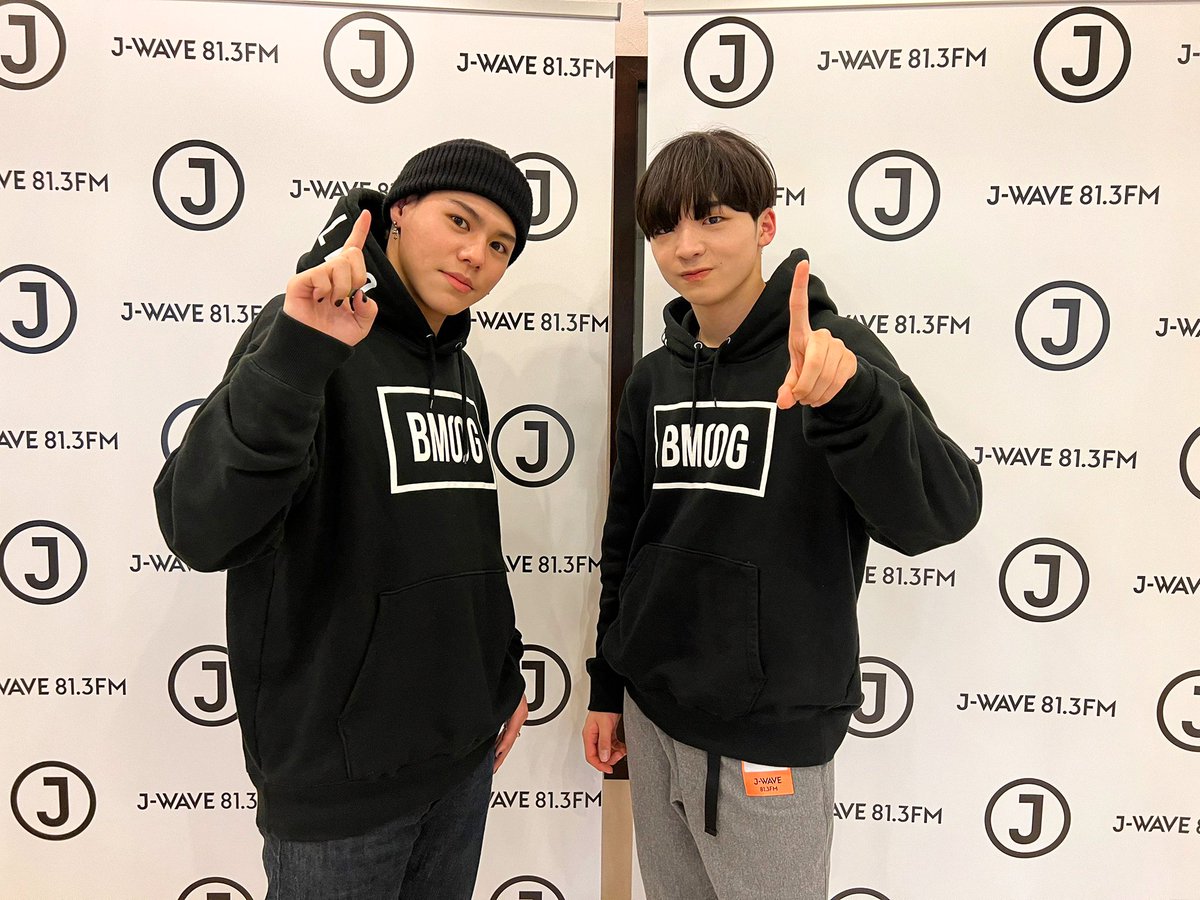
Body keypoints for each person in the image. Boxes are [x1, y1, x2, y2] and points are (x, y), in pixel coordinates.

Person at [582, 130, 982, 899]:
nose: (686, 245)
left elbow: (942, 513)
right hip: (652, 711)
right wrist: (608, 685)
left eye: (713, 218)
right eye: (664, 227)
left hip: (770, 737)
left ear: (765, 225)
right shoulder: (654, 379)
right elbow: (626, 540)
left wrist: (853, 400)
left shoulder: (833, 356)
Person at [155, 138, 533, 899]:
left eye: (500, 245)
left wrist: (500, 674)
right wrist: (297, 354)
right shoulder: (309, 329)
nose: (476, 256)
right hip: (339, 791)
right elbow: (202, 528)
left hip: (459, 766)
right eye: (460, 221)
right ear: (399, 211)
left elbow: (467, 541)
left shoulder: (458, 367)